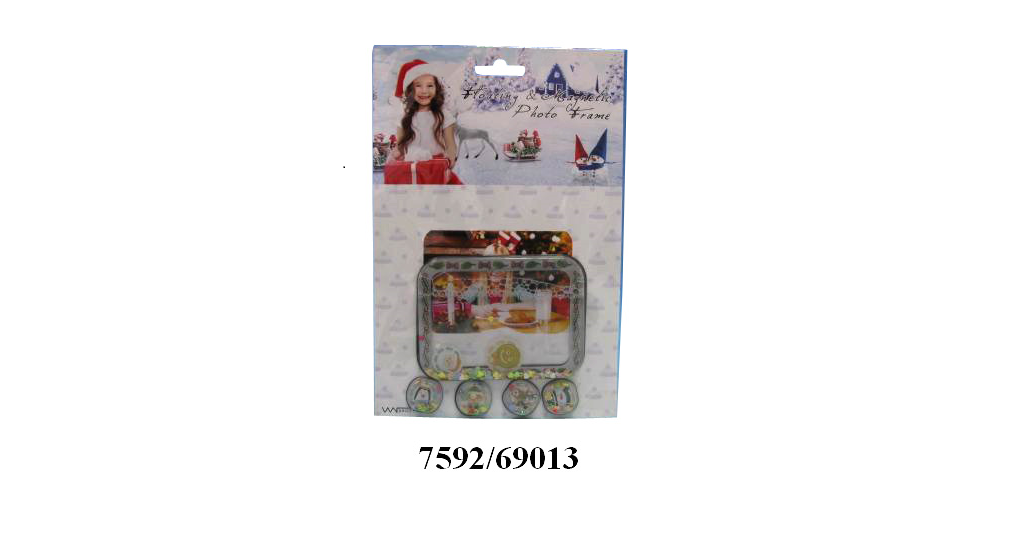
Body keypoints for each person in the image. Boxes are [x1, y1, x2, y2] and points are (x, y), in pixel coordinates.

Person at [389, 60, 461, 184]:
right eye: (418, 86)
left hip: (436, 167)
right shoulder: (404, 117)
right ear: (410, 89)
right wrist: (397, 152)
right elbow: (399, 146)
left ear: (437, 88)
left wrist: (450, 157)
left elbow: (450, 144)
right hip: (411, 170)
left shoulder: (443, 115)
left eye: (430, 85)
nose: (424, 91)